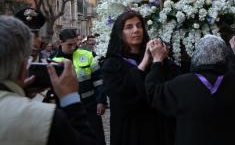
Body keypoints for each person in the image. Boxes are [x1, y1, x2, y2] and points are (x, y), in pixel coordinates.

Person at [145, 34, 235, 145]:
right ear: (225, 56)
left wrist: (157, 61)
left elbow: (152, 91)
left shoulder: (180, 84)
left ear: (196, 55)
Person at [0, 16, 96, 145]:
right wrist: (71, 99)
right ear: (23, 64)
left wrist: (19, 93)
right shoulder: (44, 117)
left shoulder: (86, 55)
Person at [101, 10, 179, 145]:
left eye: (139, 25)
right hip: (130, 129)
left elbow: (171, 87)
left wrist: (160, 60)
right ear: (120, 33)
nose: (136, 30)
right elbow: (121, 97)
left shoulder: (158, 57)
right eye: (129, 27)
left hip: (158, 127)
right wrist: (145, 62)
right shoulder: (112, 64)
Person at [51, 29, 107, 145]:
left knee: (96, 138)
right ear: (61, 42)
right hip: (66, 108)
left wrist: (101, 101)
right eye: (69, 45)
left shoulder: (88, 55)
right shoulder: (53, 61)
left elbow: (98, 80)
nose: (73, 48)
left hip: (90, 106)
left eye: (75, 44)